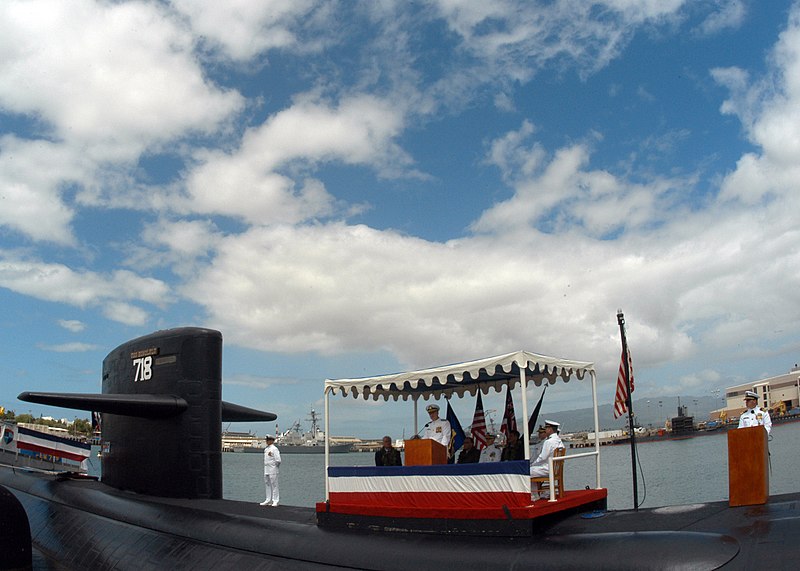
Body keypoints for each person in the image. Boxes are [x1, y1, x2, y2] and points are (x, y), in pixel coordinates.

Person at [530, 420, 564, 497]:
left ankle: (534, 495)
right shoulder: (559, 441)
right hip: (555, 469)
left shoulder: (548, 442)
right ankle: (537, 493)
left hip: (547, 469)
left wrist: (532, 464)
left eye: (546, 428)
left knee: (527, 472)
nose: (545, 430)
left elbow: (542, 457)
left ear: (550, 429)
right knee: (532, 470)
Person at [260, 434, 281, 507]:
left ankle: (275, 500)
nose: (266, 441)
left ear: (272, 440)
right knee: (267, 484)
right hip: (266, 469)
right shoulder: (266, 449)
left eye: (268, 440)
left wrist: (275, 467)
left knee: (274, 484)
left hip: (273, 469)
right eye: (266, 440)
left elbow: (278, 460)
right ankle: (268, 499)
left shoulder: (274, 449)